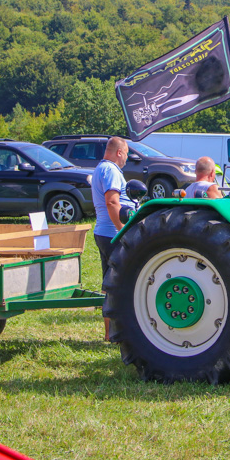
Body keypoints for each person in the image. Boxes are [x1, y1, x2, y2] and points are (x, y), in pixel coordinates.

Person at [92, 137, 136, 341]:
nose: (127, 158)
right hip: (112, 233)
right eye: (126, 154)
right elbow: (112, 202)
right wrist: (123, 230)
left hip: (104, 231)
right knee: (117, 283)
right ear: (119, 152)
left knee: (109, 283)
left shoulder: (101, 168)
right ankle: (114, 333)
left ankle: (110, 333)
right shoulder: (110, 170)